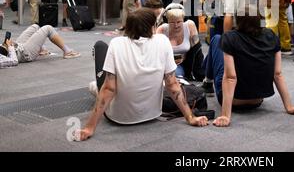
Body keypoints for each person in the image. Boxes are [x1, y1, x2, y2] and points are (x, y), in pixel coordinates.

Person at [76, 8, 208, 141]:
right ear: (152, 27)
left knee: (100, 47)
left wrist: (89, 127)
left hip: (119, 118)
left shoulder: (117, 43)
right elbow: (172, 84)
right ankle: (96, 86)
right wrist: (190, 117)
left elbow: (109, 88)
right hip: (152, 114)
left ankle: (95, 87)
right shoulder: (162, 41)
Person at [201, 13, 294, 128]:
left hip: (235, 100)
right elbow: (278, 74)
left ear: (237, 21)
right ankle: (207, 79)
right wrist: (289, 107)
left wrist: (226, 116)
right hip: (257, 100)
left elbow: (230, 78)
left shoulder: (230, 37)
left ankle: (208, 81)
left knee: (216, 39)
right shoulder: (271, 35)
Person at [156, 3, 204, 81]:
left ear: (184, 19)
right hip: (166, 65)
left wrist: (200, 75)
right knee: (176, 76)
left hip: (185, 64)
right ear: (166, 20)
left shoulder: (190, 25)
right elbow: (154, 53)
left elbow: (198, 51)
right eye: (172, 22)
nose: (176, 25)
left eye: (179, 22)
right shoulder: (161, 29)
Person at [0, 24, 80, 68]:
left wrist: (6, 45)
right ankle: (68, 52)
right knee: (48, 28)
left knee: (34, 27)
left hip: (17, 47)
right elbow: (14, 61)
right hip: (24, 53)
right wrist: (10, 46)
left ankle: (42, 51)